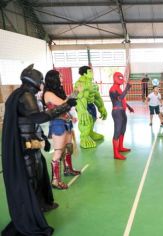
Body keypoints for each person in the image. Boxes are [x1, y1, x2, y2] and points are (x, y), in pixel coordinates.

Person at [1, 64, 77, 235]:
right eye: (40, 80)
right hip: (25, 148)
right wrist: (65, 106)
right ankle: (30, 215)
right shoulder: (25, 96)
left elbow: (32, 122)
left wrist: (42, 138)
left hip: (33, 144)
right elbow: (38, 117)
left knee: (39, 176)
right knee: (30, 180)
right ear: (34, 81)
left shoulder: (25, 95)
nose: (41, 83)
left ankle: (40, 206)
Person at [43, 70, 81, 190]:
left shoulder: (58, 91)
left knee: (68, 147)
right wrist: (75, 92)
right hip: (57, 123)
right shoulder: (48, 94)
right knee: (58, 152)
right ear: (53, 79)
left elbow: (66, 107)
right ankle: (55, 180)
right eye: (59, 76)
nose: (61, 78)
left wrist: (71, 117)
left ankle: (68, 169)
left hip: (66, 122)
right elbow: (63, 104)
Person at [74, 66, 107, 148]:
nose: (92, 73)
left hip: (90, 104)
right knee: (86, 120)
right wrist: (82, 111)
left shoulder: (93, 85)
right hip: (82, 105)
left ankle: (90, 133)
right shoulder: (80, 84)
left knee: (93, 119)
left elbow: (97, 97)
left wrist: (102, 108)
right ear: (84, 74)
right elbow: (78, 97)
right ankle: (84, 137)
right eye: (90, 72)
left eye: (92, 71)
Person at [109, 72, 134, 160]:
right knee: (117, 131)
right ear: (115, 78)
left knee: (122, 130)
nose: (120, 78)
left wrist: (129, 107)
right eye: (119, 77)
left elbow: (122, 99)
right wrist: (127, 88)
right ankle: (116, 153)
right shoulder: (112, 89)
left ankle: (120, 147)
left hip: (122, 111)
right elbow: (119, 98)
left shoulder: (118, 88)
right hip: (117, 112)